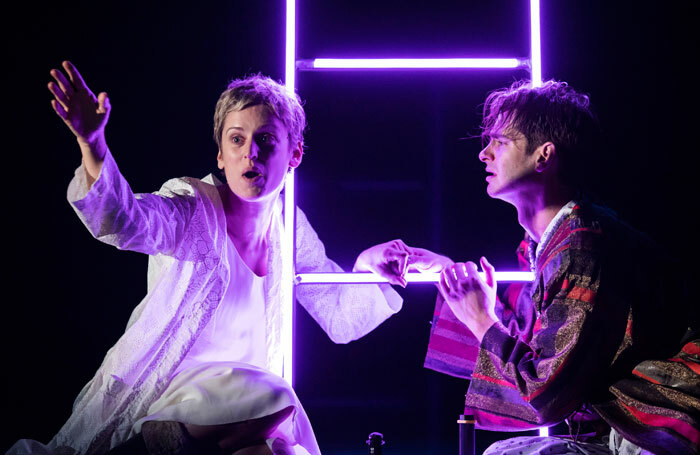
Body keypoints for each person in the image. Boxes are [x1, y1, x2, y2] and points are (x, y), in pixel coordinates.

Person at [9, 61, 407, 455]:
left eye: (266, 140)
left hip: (250, 410)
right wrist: (92, 144)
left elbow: (337, 314)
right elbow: (127, 220)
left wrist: (369, 266)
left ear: (294, 155)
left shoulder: (290, 228)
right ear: (220, 155)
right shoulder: (190, 204)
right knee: (276, 398)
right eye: (237, 140)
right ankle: (168, 438)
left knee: (279, 451)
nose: (250, 152)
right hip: (178, 392)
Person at [368, 80, 699, 454]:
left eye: (501, 142)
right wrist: (447, 272)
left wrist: (480, 318)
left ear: (544, 156)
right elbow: (537, 339)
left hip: (663, 428)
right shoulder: (559, 241)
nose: (484, 154)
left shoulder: (582, 247)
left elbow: (547, 389)